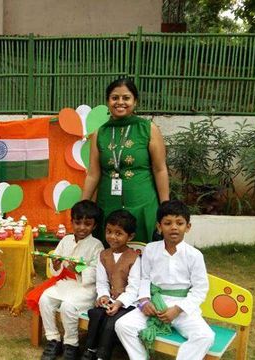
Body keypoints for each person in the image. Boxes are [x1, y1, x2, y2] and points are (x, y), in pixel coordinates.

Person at [115, 200, 214, 360]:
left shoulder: (194, 255)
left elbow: (200, 290)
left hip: (182, 308)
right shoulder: (150, 249)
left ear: (188, 227)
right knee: (122, 325)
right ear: (159, 227)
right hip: (155, 303)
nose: (174, 227)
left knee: (205, 336)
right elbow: (145, 278)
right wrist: (145, 301)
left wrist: (178, 309)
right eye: (167, 223)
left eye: (179, 223)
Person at [82, 78, 169, 244]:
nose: (120, 102)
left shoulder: (148, 128)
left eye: (126, 98)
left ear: (135, 101)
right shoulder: (100, 133)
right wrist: (83, 207)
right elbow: (93, 174)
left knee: (142, 254)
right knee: (109, 255)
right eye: (115, 98)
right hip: (108, 204)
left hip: (142, 204)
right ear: (108, 101)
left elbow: (160, 169)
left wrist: (165, 207)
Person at [25, 200, 104, 360]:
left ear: (94, 226)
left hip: (85, 288)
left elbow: (97, 272)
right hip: (65, 283)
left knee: (68, 306)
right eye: (78, 223)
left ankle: (71, 345)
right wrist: (56, 264)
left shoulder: (97, 245)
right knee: (45, 299)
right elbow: (56, 269)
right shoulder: (66, 240)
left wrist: (79, 270)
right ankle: (53, 339)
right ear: (72, 222)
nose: (82, 227)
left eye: (87, 224)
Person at [82, 209, 140, 360]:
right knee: (96, 314)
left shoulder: (134, 258)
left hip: (128, 303)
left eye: (118, 233)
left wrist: (119, 303)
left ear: (130, 236)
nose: (112, 237)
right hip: (110, 301)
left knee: (111, 322)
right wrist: (103, 296)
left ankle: (103, 355)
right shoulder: (104, 255)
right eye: (109, 231)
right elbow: (102, 282)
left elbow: (134, 289)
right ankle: (90, 350)